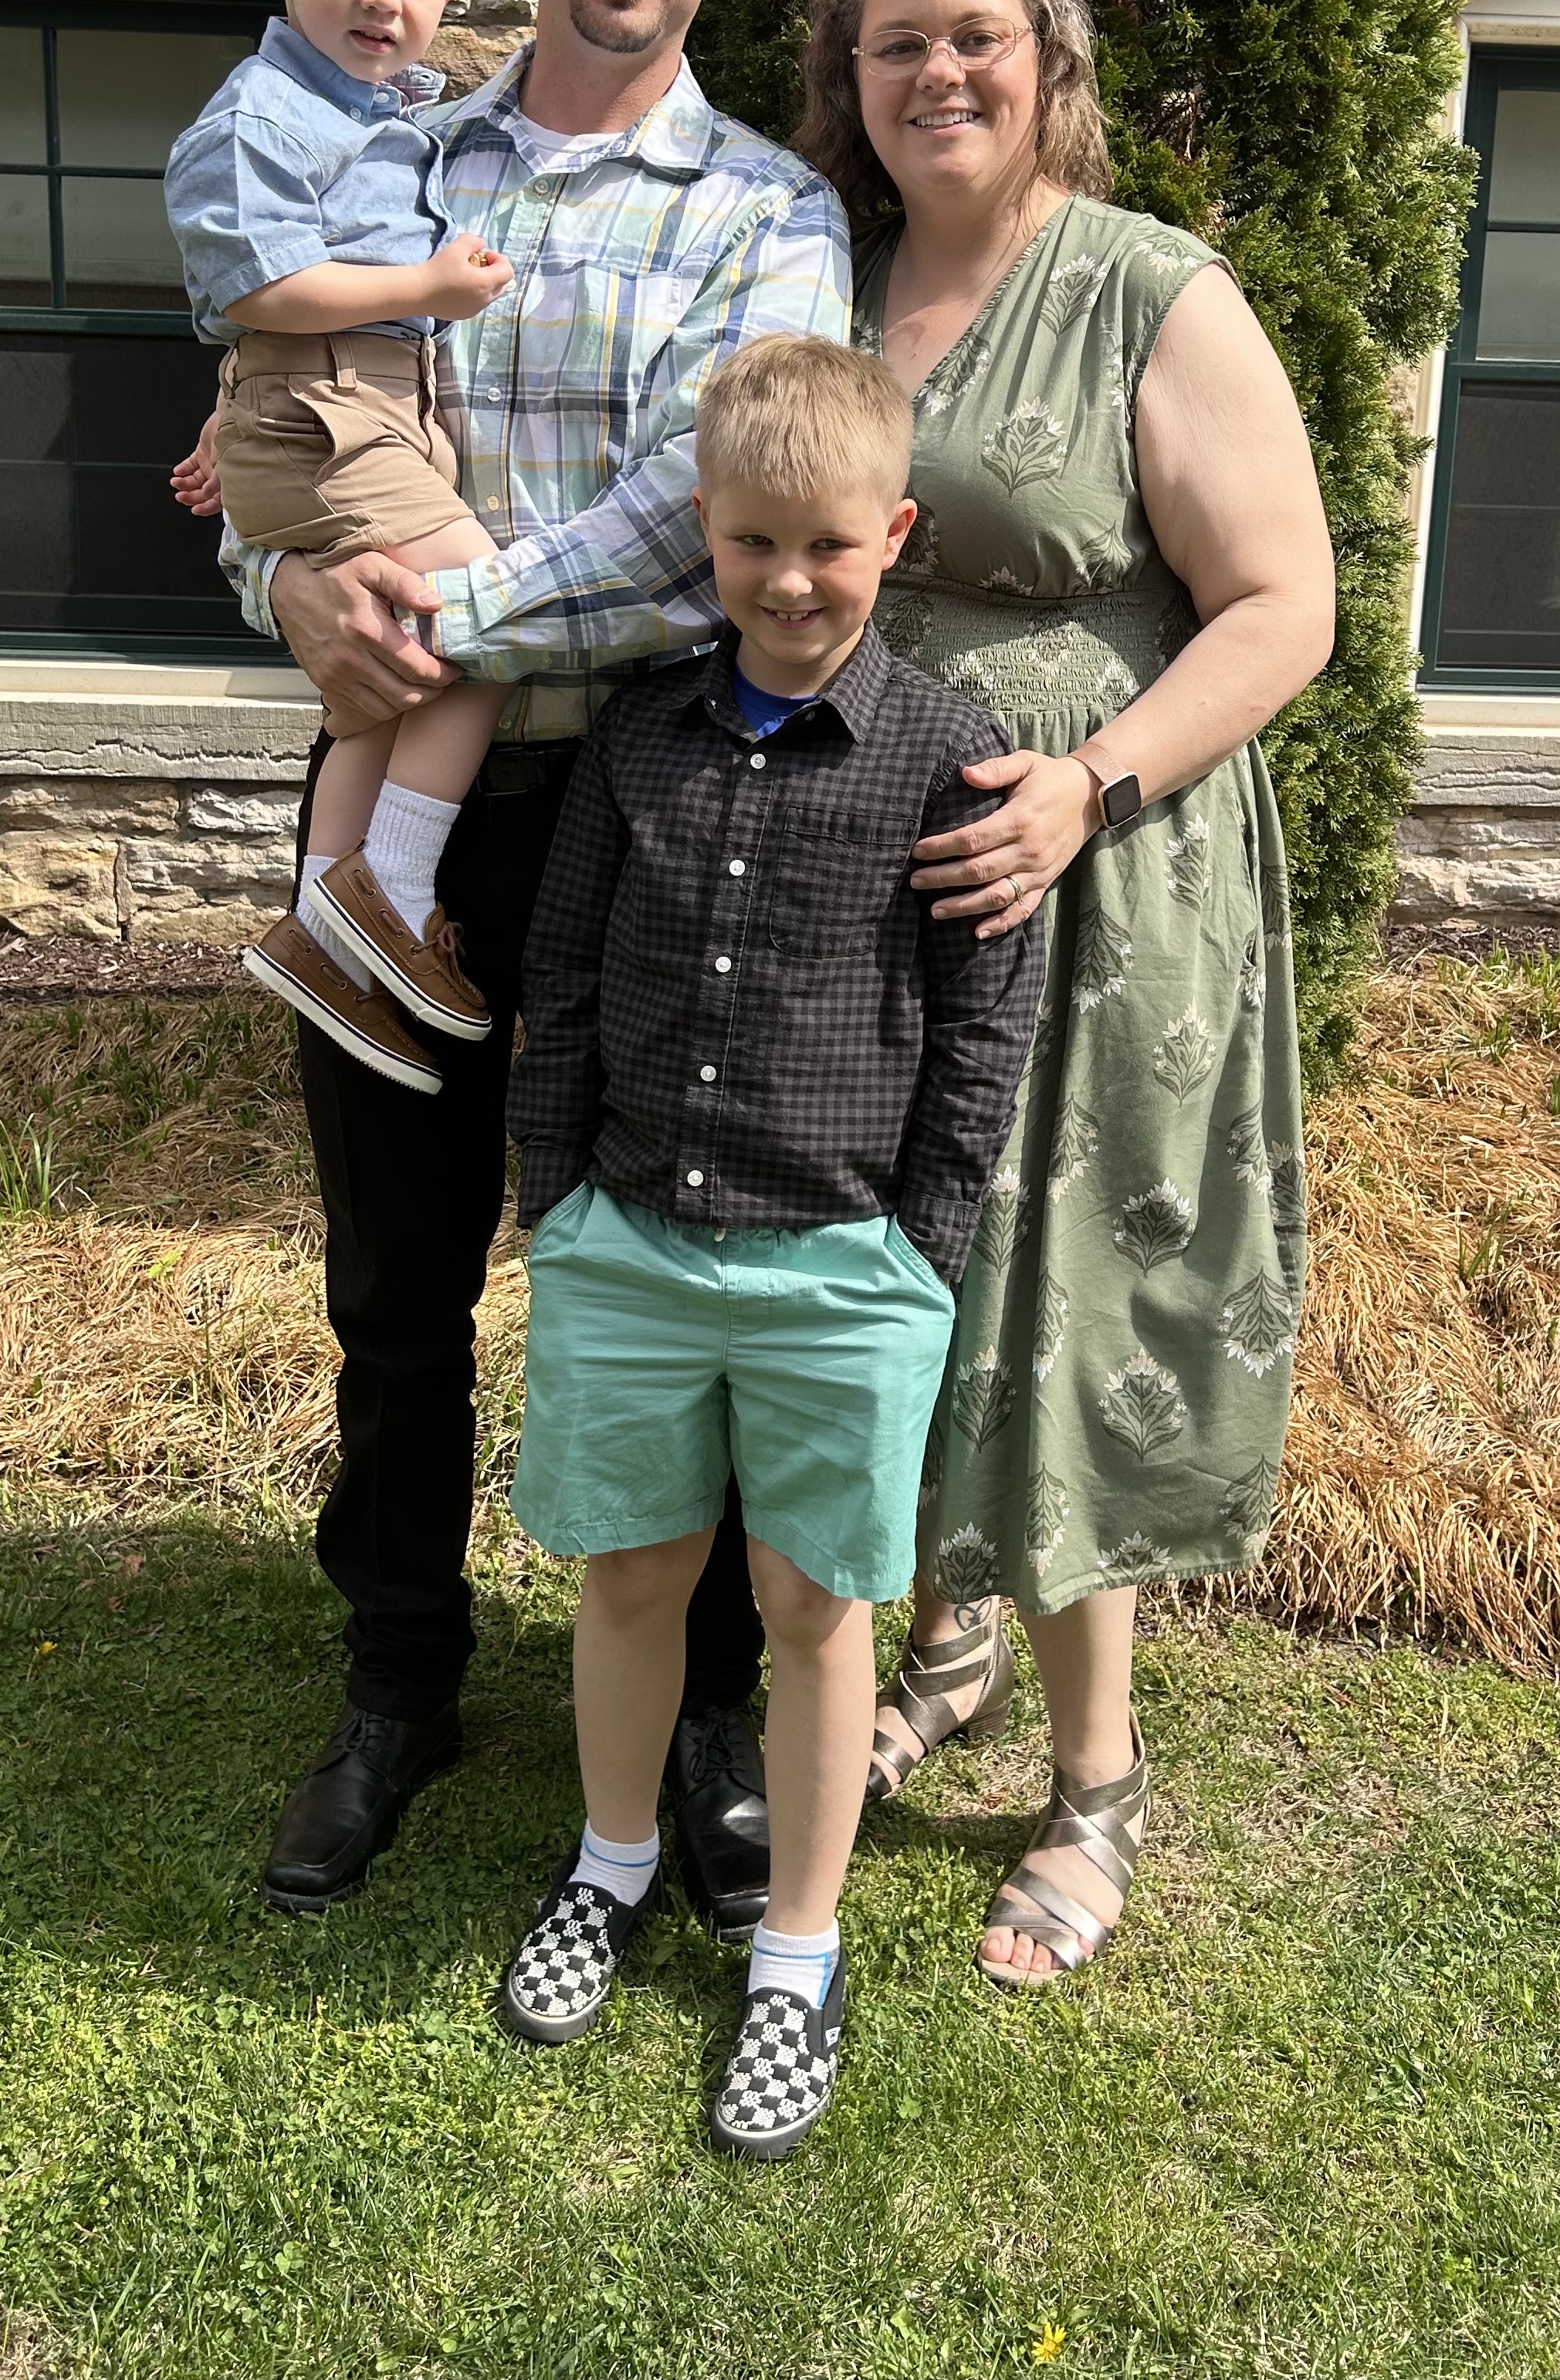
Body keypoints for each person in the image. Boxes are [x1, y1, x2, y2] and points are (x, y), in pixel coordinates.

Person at [195, 0, 852, 1927]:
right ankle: (396, 1681)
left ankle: (703, 1717)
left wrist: (442, 608)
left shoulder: (775, 218)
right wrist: (287, 584)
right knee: (394, 1279)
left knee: (686, 1282)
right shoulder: (387, 170)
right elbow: (277, 432)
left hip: (670, 827)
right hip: (410, 818)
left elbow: (705, 532)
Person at [797, 0, 1336, 1987]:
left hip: (1091, 874)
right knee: (891, 1259)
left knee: (1061, 1279)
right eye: (894, 41)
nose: (937, 71)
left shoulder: (1146, 292)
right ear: (847, 82)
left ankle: (1098, 1770)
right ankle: (944, 1644)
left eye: (974, 36)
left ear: (1049, 65)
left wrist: (1086, 784)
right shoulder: (819, 276)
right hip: (868, 862)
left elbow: (1284, 606)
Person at [494, 337, 1040, 2156]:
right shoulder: (637, 738)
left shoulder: (956, 765)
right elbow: (559, 979)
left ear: (895, 532)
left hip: (841, 1268)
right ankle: (611, 1859)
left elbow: (981, 1034)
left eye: (826, 545)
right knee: (635, 1573)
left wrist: (921, 1249)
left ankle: (796, 1955)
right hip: (629, 1245)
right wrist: (554, 1201)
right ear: (704, 543)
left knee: (815, 1609)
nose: (789, 583)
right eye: (749, 546)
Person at [166, 0, 516, 1090]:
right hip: (329, 400)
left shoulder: (392, 114)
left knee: (371, 675)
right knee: (483, 617)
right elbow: (255, 294)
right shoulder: (263, 116)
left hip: (353, 407)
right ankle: (392, 892)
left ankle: (324, 927)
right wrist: (427, 290)